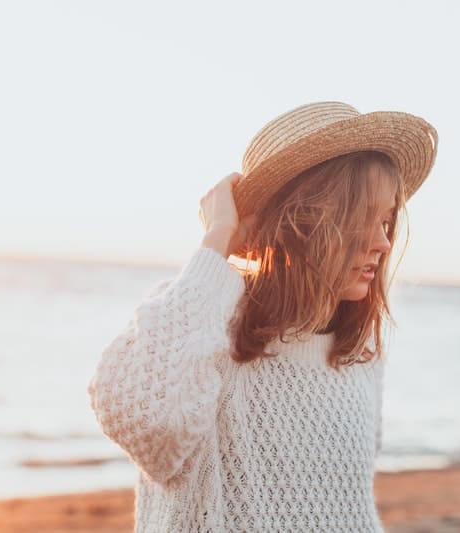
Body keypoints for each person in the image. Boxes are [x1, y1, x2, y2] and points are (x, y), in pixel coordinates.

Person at [87, 101, 438, 532]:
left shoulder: (357, 353)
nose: (383, 243)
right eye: (362, 219)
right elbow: (150, 427)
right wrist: (219, 240)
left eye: (387, 222)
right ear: (301, 221)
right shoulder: (203, 317)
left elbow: (350, 513)